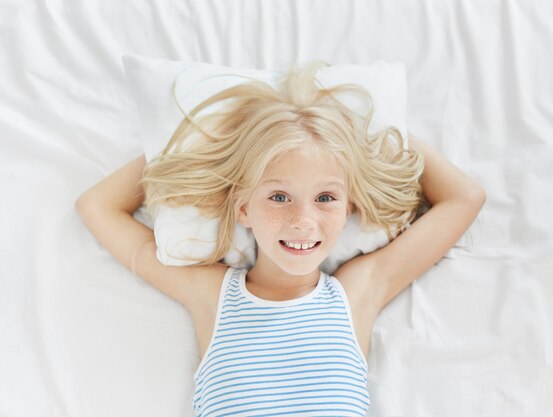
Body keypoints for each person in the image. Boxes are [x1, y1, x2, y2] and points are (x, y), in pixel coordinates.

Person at [76, 61, 486, 416]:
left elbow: (464, 199)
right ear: (243, 209)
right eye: (278, 197)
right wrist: (192, 144)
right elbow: (97, 206)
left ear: (348, 209)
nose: (302, 221)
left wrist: (375, 129)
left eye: (325, 198)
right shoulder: (211, 295)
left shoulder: (358, 291)